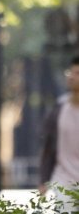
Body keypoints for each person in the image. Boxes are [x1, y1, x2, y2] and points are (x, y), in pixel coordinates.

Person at [39, 56, 79, 211]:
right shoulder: (59, 109)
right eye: (71, 72)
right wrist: (44, 180)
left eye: (77, 73)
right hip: (63, 179)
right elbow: (48, 147)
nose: (72, 77)